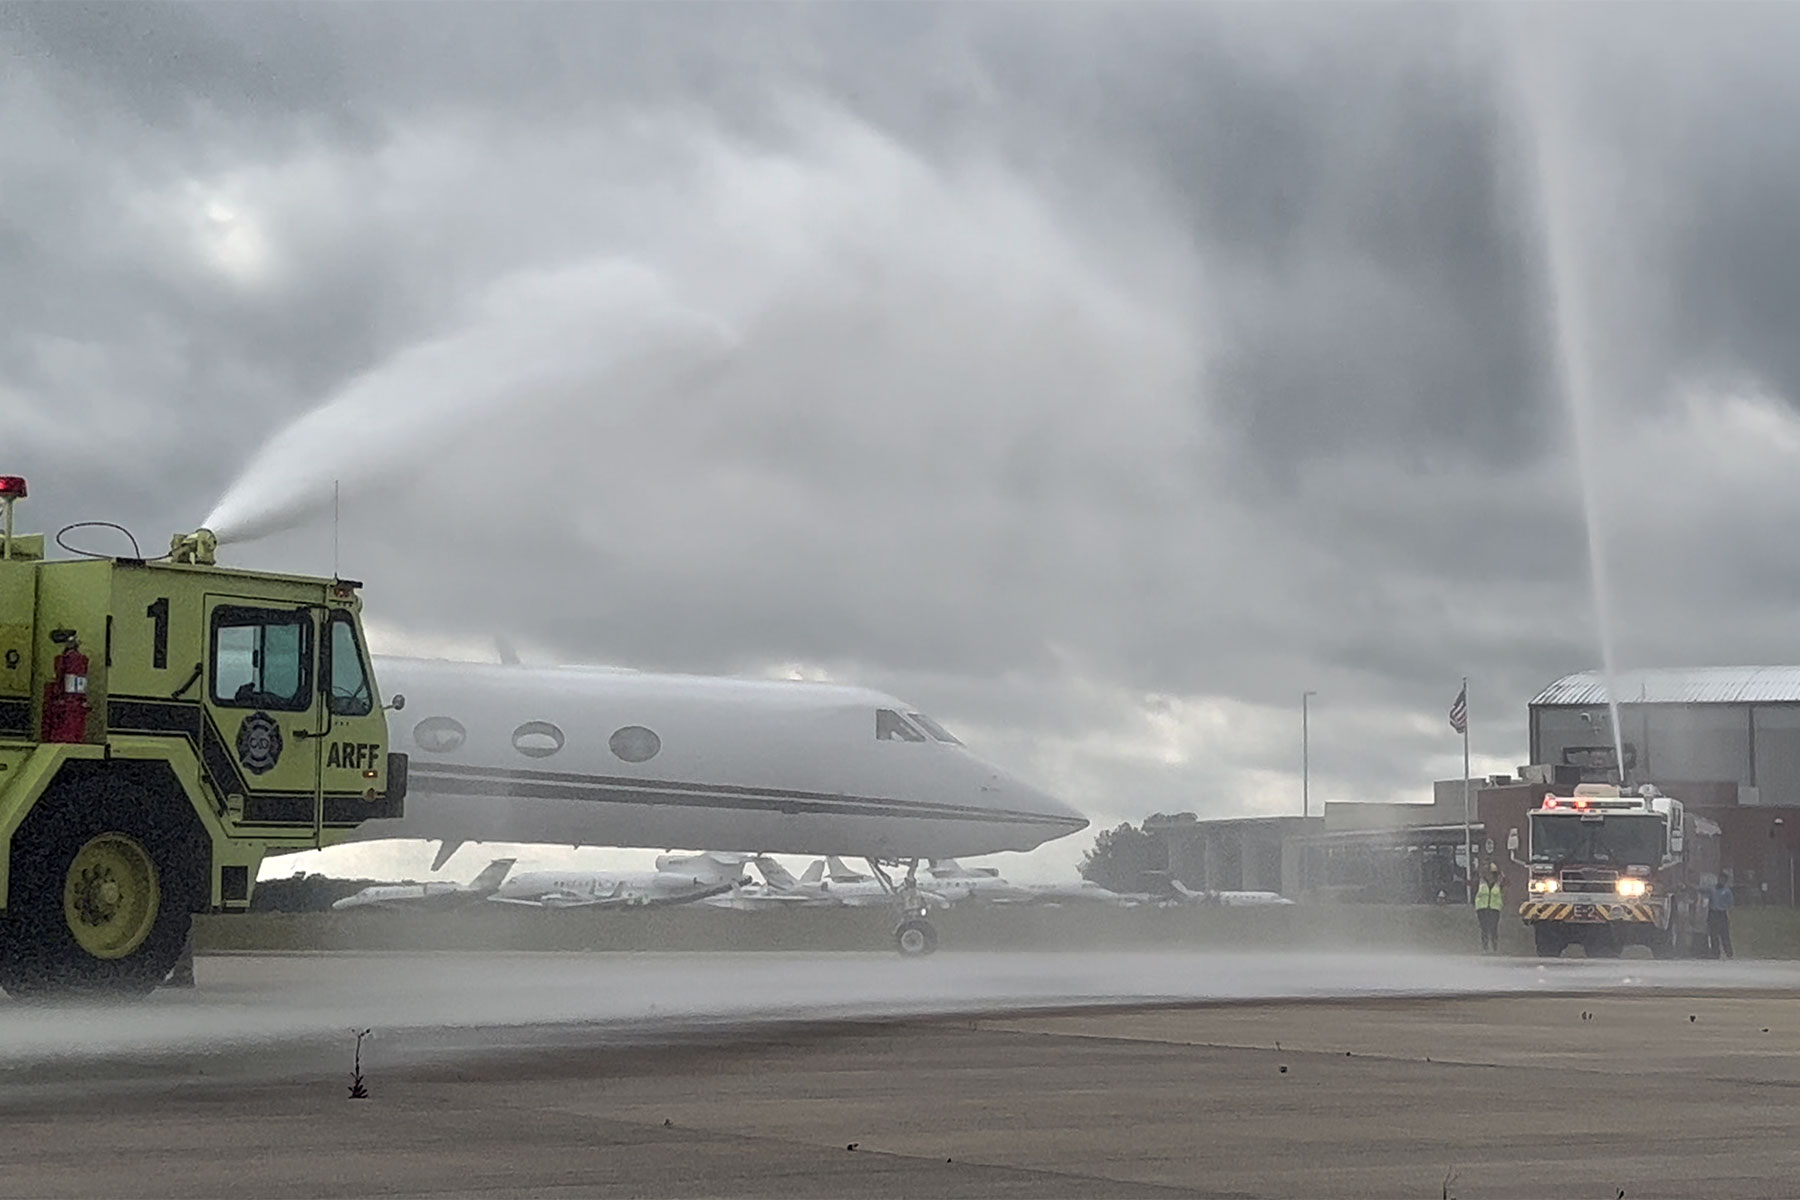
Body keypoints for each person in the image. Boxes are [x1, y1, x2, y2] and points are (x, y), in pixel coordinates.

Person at [1475, 862, 1505, 953]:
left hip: (1494, 909)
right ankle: (1485, 948)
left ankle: (1494, 948)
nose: (1490, 876)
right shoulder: (1480, 882)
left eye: (1492, 874)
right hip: (1482, 909)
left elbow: (1506, 881)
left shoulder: (1499, 883)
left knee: (1493, 929)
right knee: (1484, 928)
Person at [1709, 871, 1735, 960]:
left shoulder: (1727, 891)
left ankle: (1729, 953)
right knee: (1713, 934)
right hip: (1713, 913)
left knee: (1724, 934)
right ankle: (1715, 953)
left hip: (1722, 914)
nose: (1721, 881)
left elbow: (1730, 904)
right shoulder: (1712, 889)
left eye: (1723, 880)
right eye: (1720, 879)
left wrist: (1729, 915)